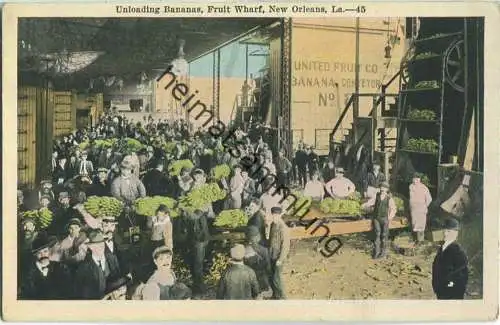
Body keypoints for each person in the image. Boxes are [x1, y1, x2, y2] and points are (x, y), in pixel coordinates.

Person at [19, 232, 73, 299]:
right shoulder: (28, 272)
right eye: (39, 253)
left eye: (45, 251)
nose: (43, 255)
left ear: (49, 252)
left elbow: (67, 291)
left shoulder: (61, 267)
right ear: (35, 255)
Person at [432, 218, 469, 300]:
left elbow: (462, 273)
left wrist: (451, 283)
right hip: (441, 290)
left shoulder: (457, 251)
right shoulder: (443, 247)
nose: (445, 233)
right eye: (444, 231)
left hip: (451, 292)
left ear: (456, 234)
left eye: (449, 231)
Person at [361, 182, 397, 259]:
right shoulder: (376, 196)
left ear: (387, 189)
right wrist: (364, 205)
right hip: (376, 218)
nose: (383, 189)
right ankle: (376, 252)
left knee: (384, 235)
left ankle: (383, 253)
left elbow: (393, 209)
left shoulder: (389, 198)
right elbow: (370, 202)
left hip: (385, 219)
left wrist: (390, 217)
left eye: (385, 188)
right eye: (382, 187)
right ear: (380, 188)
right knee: (377, 234)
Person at [74, 230, 112, 299]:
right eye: (97, 245)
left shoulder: (112, 260)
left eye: (102, 244)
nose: (101, 247)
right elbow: (81, 294)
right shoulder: (83, 268)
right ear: (90, 247)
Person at [267, 207, 290, 300]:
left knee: (277, 279)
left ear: (280, 215)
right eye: (273, 215)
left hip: (278, 257)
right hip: (272, 254)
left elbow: (285, 246)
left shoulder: (283, 228)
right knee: (271, 277)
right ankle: (275, 295)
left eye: (276, 216)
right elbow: (271, 240)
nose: (274, 217)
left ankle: (283, 298)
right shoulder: (273, 224)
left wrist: (280, 259)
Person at [243, 226, 272, 296]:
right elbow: (268, 268)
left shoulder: (244, 250)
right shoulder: (264, 250)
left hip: (250, 283)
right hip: (263, 283)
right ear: (258, 237)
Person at [409, 174, 433, 243]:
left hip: (421, 209)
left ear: (419, 179)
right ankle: (415, 239)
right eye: (414, 178)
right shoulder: (411, 187)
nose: (415, 180)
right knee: (414, 224)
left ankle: (421, 241)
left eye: (416, 179)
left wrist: (424, 206)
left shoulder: (424, 188)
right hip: (414, 210)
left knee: (421, 225)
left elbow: (429, 199)